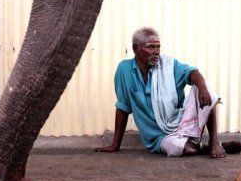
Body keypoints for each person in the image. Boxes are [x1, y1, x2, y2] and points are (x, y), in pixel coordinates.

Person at [96, 27, 226, 158]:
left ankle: (213, 142)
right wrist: (115, 145)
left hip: (180, 124)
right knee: (186, 150)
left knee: (204, 87)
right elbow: (123, 107)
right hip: (159, 137)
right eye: (151, 47)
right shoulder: (124, 69)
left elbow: (192, 72)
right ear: (135, 49)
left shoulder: (168, 64)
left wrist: (202, 88)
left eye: (158, 47)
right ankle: (203, 147)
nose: (156, 52)